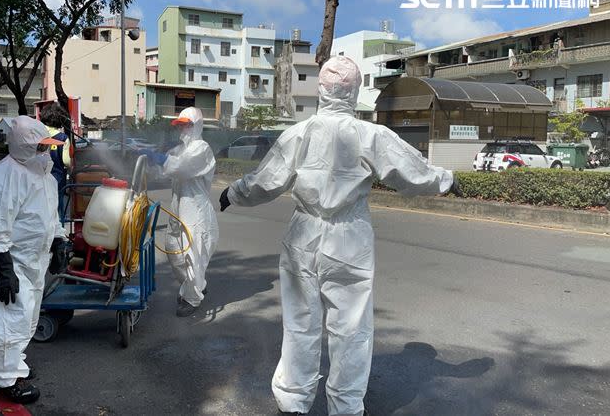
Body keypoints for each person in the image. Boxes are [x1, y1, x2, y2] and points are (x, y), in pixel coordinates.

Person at [220, 57, 459, 416]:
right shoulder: (370, 135)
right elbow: (410, 171)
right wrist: (447, 180)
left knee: (300, 322)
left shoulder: (299, 134)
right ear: (355, 90)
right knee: (350, 329)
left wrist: (232, 194)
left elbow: (265, 182)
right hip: (350, 239)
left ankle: (293, 401)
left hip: (304, 234)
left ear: (320, 90)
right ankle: (346, 407)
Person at [0, 116, 67, 404]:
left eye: (46, 146)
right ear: (23, 146)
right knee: (12, 319)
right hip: (10, 260)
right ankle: (5, 380)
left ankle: (14, 366)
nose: (45, 152)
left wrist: (59, 242)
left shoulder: (44, 175)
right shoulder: (4, 177)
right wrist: (5, 269)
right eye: (39, 146)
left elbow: (51, 215)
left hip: (35, 259)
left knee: (27, 318)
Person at [142, 107, 219, 318]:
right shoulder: (180, 149)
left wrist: (161, 158)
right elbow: (164, 168)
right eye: (181, 124)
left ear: (196, 125)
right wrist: (148, 159)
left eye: (187, 124)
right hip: (179, 206)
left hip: (195, 209)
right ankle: (196, 285)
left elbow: (181, 167)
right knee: (173, 249)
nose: (183, 128)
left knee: (190, 254)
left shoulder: (202, 149)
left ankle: (193, 298)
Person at [37, 103, 71, 217]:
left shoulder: (38, 135)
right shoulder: (63, 138)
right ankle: (58, 228)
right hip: (57, 178)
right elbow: (66, 161)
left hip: (38, 177)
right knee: (57, 204)